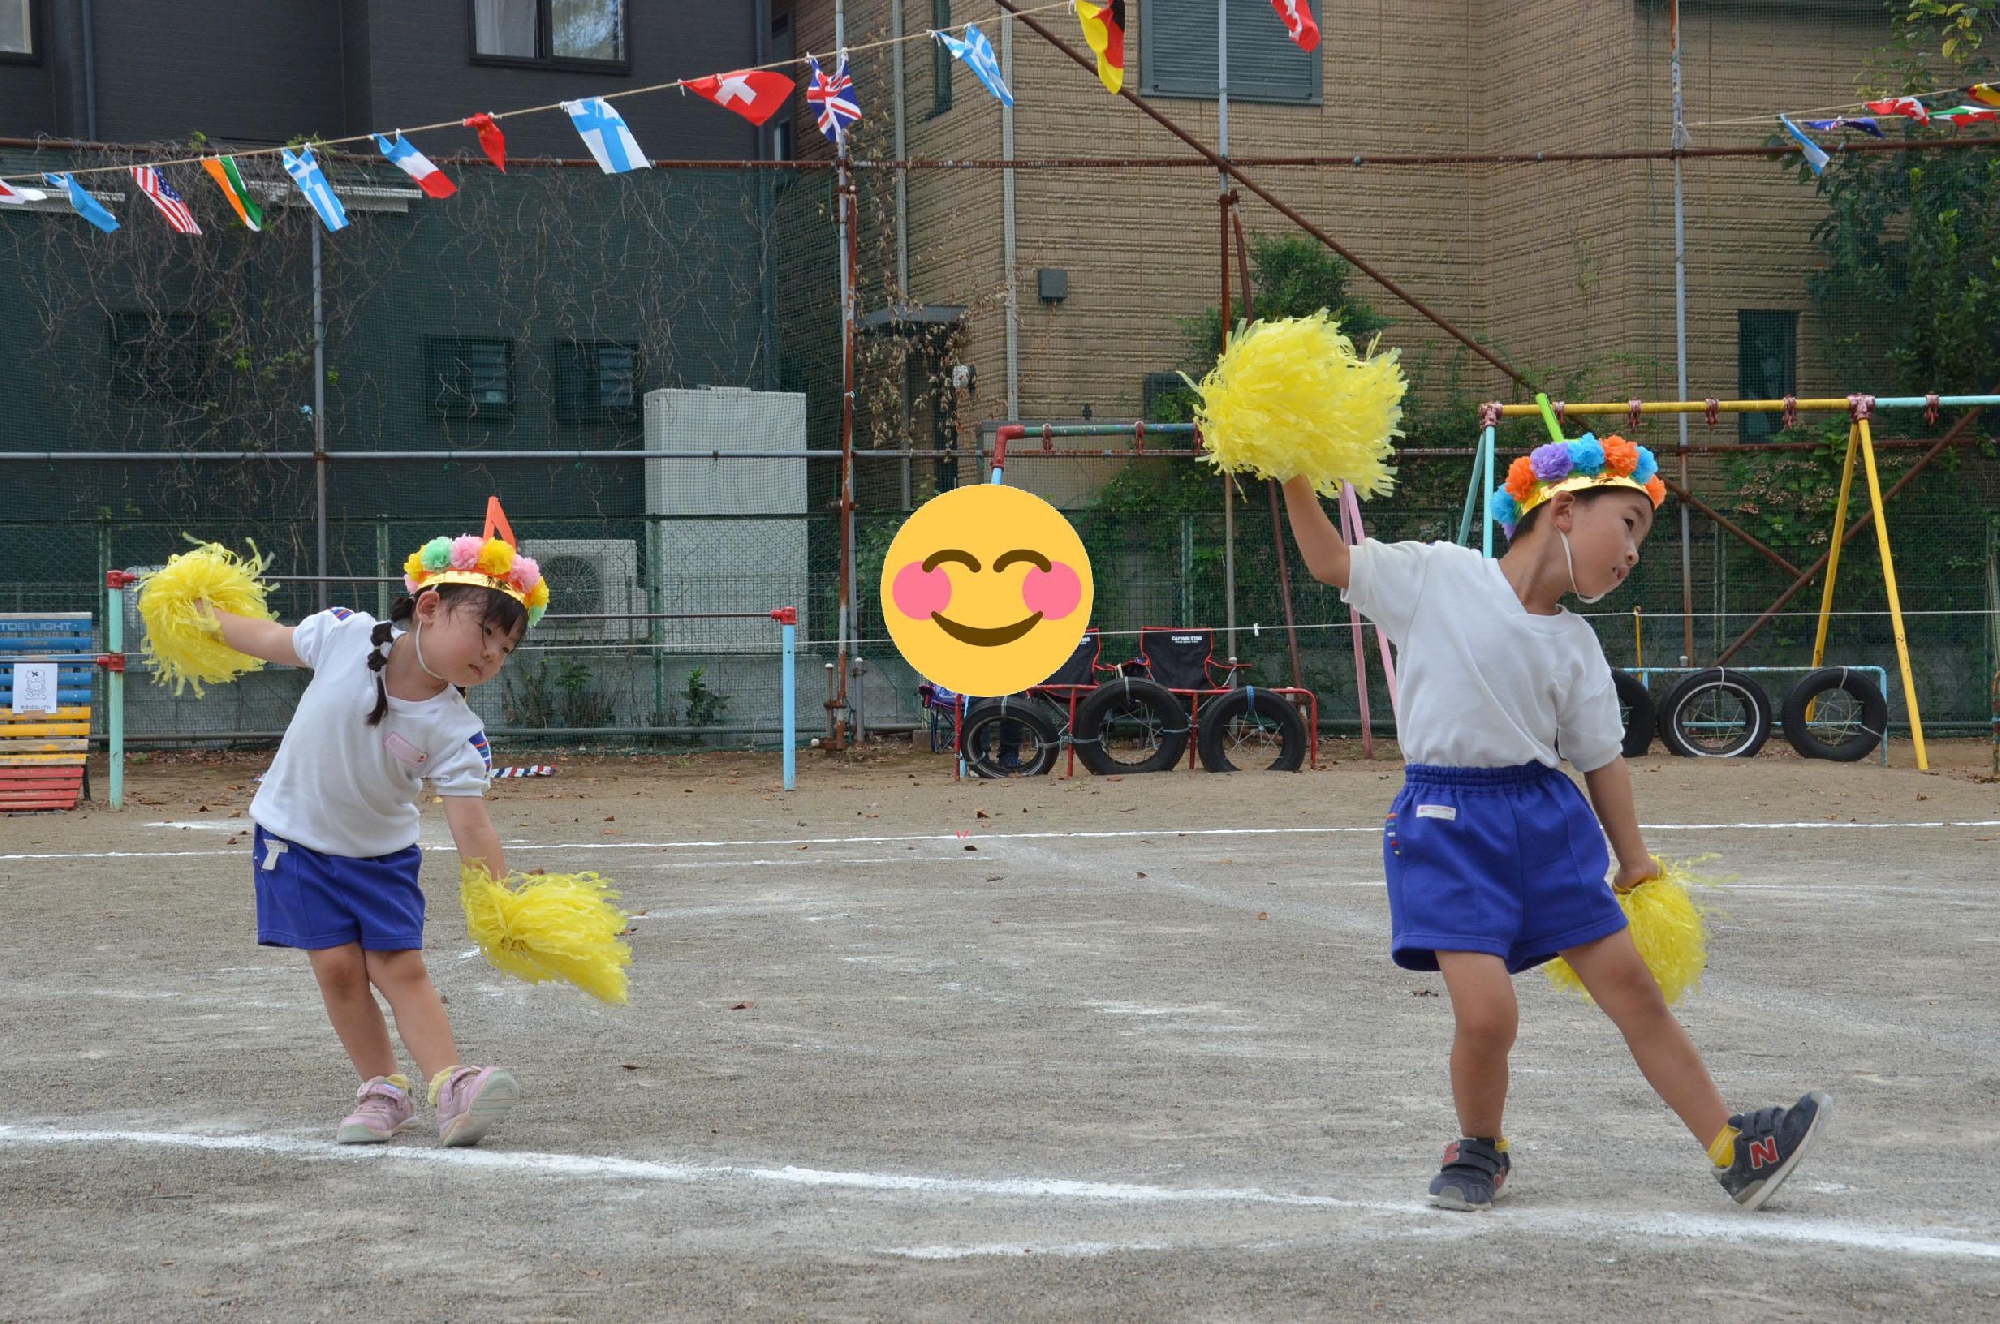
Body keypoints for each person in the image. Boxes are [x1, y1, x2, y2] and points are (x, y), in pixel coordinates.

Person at [1280, 433, 1829, 1211]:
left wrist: (1633, 859)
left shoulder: (1578, 645)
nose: (1635, 550)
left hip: (1546, 822)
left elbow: (1600, 760)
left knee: (1635, 992)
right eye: (1630, 523)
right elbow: (1333, 562)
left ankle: (1733, 1148)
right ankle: (1479, 1146)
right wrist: (1294, 469)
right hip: (1446, 826)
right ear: (1564, 510)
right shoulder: (1438, 576)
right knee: (1488, 1014)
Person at [204, 532, 550, 1147]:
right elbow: (267, 638)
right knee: (337, 969)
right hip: (294, 842)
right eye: (486, 633)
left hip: (381, 859)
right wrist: (203, 616)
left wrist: (502, 899)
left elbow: (472, 823)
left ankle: (454, 1084)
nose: (494, 654)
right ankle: (382, 1091)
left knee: (400, 967)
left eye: (506, 647)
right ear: (429, 608)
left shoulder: (458, 731)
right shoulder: (344, 634)